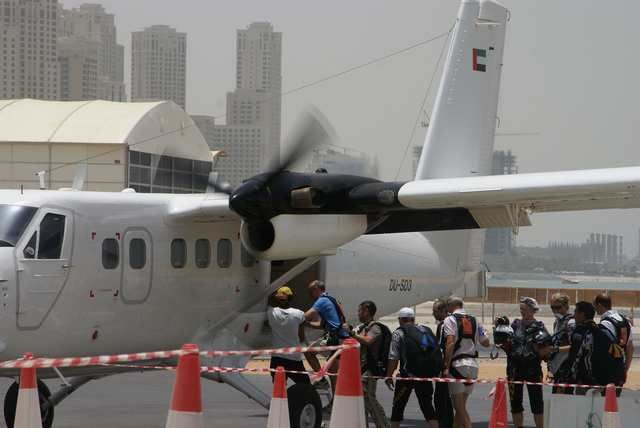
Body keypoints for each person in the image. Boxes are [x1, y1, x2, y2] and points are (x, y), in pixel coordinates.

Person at [385, 307, 441, 428]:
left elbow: (393, 357)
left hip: (406, 377)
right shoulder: (426, 330)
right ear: (413, 319)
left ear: (400, 320)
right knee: (427, 406)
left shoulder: (399, 333)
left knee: (398, 406)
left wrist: (389, 376)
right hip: (425, 376)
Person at [443, 296, 490, 428]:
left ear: (451, 307)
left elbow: (450, 343)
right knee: (461, 406)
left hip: (457, 366)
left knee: (459, 407)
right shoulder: (475, 320)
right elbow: (486, 342)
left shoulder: (450, 320)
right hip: (473, 366)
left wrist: (446, 366)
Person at [505, 297, 547, 428]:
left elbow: (545, 348)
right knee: (515, 402)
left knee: (537, 401)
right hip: (514, 369)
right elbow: (507, 343)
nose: (522, 311)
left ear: (532, 310)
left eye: (524, 309)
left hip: (533, 369)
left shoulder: (539, 326)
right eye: (521, 309)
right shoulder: (515, 324)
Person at [569, 301, 625, 395]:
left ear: (582, 314)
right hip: (606, 380)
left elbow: (575, 357)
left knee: (581, 407)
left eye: (575, 312)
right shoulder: (603, 330)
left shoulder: (580, 332)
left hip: (586, 381)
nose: (574, 316)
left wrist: (570, 377)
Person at [303, 280, 350, 391]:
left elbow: (305, 316)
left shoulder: (322, 300)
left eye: (311, 291)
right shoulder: (332, 300)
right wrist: (307, 324)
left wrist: (295, 317)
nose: (309, 294)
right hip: (338, 336)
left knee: (333, 373)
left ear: (317, 289)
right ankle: (324, 384)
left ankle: (322, 382)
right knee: (333, 371)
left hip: (335, 338)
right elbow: (322, 325)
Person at [351, 301, 390, 428]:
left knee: (369, 399)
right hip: (361, 369)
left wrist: (352, 334)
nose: (358, 313)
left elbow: (368, 341)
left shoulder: (375, 327)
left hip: (369, 370)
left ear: (366, 311)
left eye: (360, 310)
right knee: (362, 402)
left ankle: (384, 425)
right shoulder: (363, 328)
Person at [266, 286, 310, 384]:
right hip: (293, 357)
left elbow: (268, 299)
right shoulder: (299, 314)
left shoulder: (270, 312)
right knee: (305, 385)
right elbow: (301, 337)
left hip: (277, 359)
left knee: (279, 389)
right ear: (290, 298)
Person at [594, 293, 634, 390]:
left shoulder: (605, 324)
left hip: (607, 371)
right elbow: (630, 348)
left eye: (594, 305)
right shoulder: (625, 321)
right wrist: (625, 370)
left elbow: (602, 350)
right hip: (620, 369)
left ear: (599, 305)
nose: (594, 308)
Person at [433, 299, 454, 428]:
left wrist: (444, 366)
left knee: (441, 398)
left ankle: (444, 423)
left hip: (446, 366)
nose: (433, 314)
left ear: (442, 311)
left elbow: (442, 347)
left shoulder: (443, 324)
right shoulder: (453, 322)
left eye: (434, 311)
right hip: (455, 365)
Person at [548, 293, 575, 394]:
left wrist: (555, 349)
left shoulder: (571, 323)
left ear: (566, 306)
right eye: (552, 307)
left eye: (558, 307)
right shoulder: (557, 322)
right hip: (557, 368)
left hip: (567, 368)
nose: (555, 311)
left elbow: (574, 346)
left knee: (562, 399)